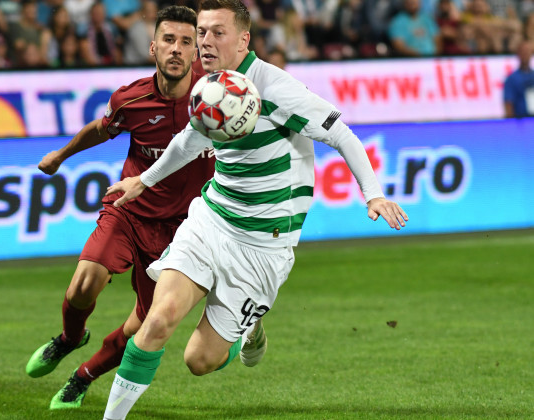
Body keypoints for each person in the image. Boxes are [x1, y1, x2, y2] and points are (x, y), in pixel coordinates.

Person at [100, 1, 409, 418]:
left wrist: (372, 194)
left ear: (244, 39)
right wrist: (143, 181)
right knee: (158, 321)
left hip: (264, 246)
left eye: (217, 33)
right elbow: (189, 141)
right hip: (212, 221)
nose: (205, 42)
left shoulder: (276, 88)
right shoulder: (206, 84)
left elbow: (342, 135)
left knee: (198, 361)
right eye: (202, 32)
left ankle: (248, 326)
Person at [25, 5, 214, 410]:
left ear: (197, 52)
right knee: (83, 284)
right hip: (130, 208)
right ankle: (70, 338)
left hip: (181, 232)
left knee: (143, 325)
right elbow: (100, 129)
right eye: (169, 40)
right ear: (153, 48)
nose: (177, 50)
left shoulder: (217, 100)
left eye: (186, 42)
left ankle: (83, 376)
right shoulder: (132, 99)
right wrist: (60, 155)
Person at [503, 40, 534, 118]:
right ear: (518, 54)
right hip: (520, 123)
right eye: (523, 52)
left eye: (527, 51)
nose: (525, 54)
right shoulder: (511, 79)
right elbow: (508, 104)